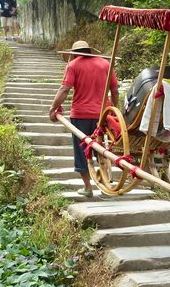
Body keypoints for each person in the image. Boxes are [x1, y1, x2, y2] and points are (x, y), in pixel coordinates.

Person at [48, 41, 119, 197]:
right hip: (103, 115)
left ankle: (88, 188)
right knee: (101, 149)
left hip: (81, 115)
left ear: (74, 53)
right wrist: (114, 110)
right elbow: (115, 90)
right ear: (89, 50)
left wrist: (53, 107)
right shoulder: (105, 64)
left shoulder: (73, 65)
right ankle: (105, 183)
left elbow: (65, 89)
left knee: (81, 151)